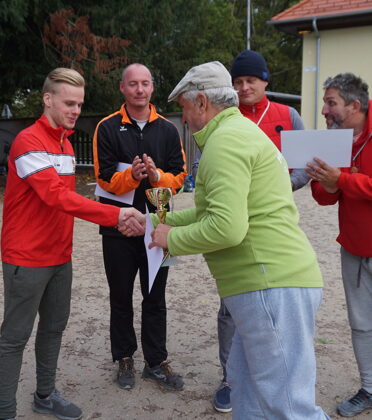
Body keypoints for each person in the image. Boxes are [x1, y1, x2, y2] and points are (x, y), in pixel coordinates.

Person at [150, 61, 330, 420]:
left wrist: (173, 238)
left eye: (184, 108)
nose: (183, 119)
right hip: (270, 282)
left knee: (289, 406)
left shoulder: (226, 142)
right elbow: (211, 211)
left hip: (268, 282)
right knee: (248, 393)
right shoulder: (238, 133)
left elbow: (227, 227)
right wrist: (153, 221)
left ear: (202, 102)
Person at [0, 68, 145, 420]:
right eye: (69, 103)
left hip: (60, 256)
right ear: (48, 99)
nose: (76, 110)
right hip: (26, 259)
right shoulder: (28, 142)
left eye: (79, 104)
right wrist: (115, 214)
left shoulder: (64, 142)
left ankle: (45, 395)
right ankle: (5, 413)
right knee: (15, 338)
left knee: (53, 329)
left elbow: (66, 200)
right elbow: (56, 197)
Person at [192, 49, 310, 413]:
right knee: (231, 307)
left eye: (251, 81)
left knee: (272, 313)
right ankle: (230, 378)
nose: (244, 88)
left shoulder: (287, 116)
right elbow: (206, 172)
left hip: (270, 222)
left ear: (265, 81)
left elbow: (305, 165)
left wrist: (275, 185)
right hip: (232, 227)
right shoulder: (224, 117)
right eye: (238, 82)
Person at [93, 63, 187, 391]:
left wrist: (157, 176)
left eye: (145, 83)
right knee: (120, 296)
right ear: (122, 88)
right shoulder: (106, 127)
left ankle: (156, 361)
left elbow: (180, 177)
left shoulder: (168, 129)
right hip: (117, 228)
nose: (140, 90)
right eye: (133, 84)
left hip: (158, 226)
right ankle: (124, 357)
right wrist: (131, 176)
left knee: (155, 296)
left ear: (152, 87)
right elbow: (103, 177)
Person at [306, 73, 372, 417]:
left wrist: (342, 180)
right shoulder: (334, 137)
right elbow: (322, 196)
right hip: (354, 247)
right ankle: (369, 389)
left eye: (331, 103)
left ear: (354, 105)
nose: (324, 111)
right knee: (361, 323)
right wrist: (329, 184)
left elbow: (347, 183)